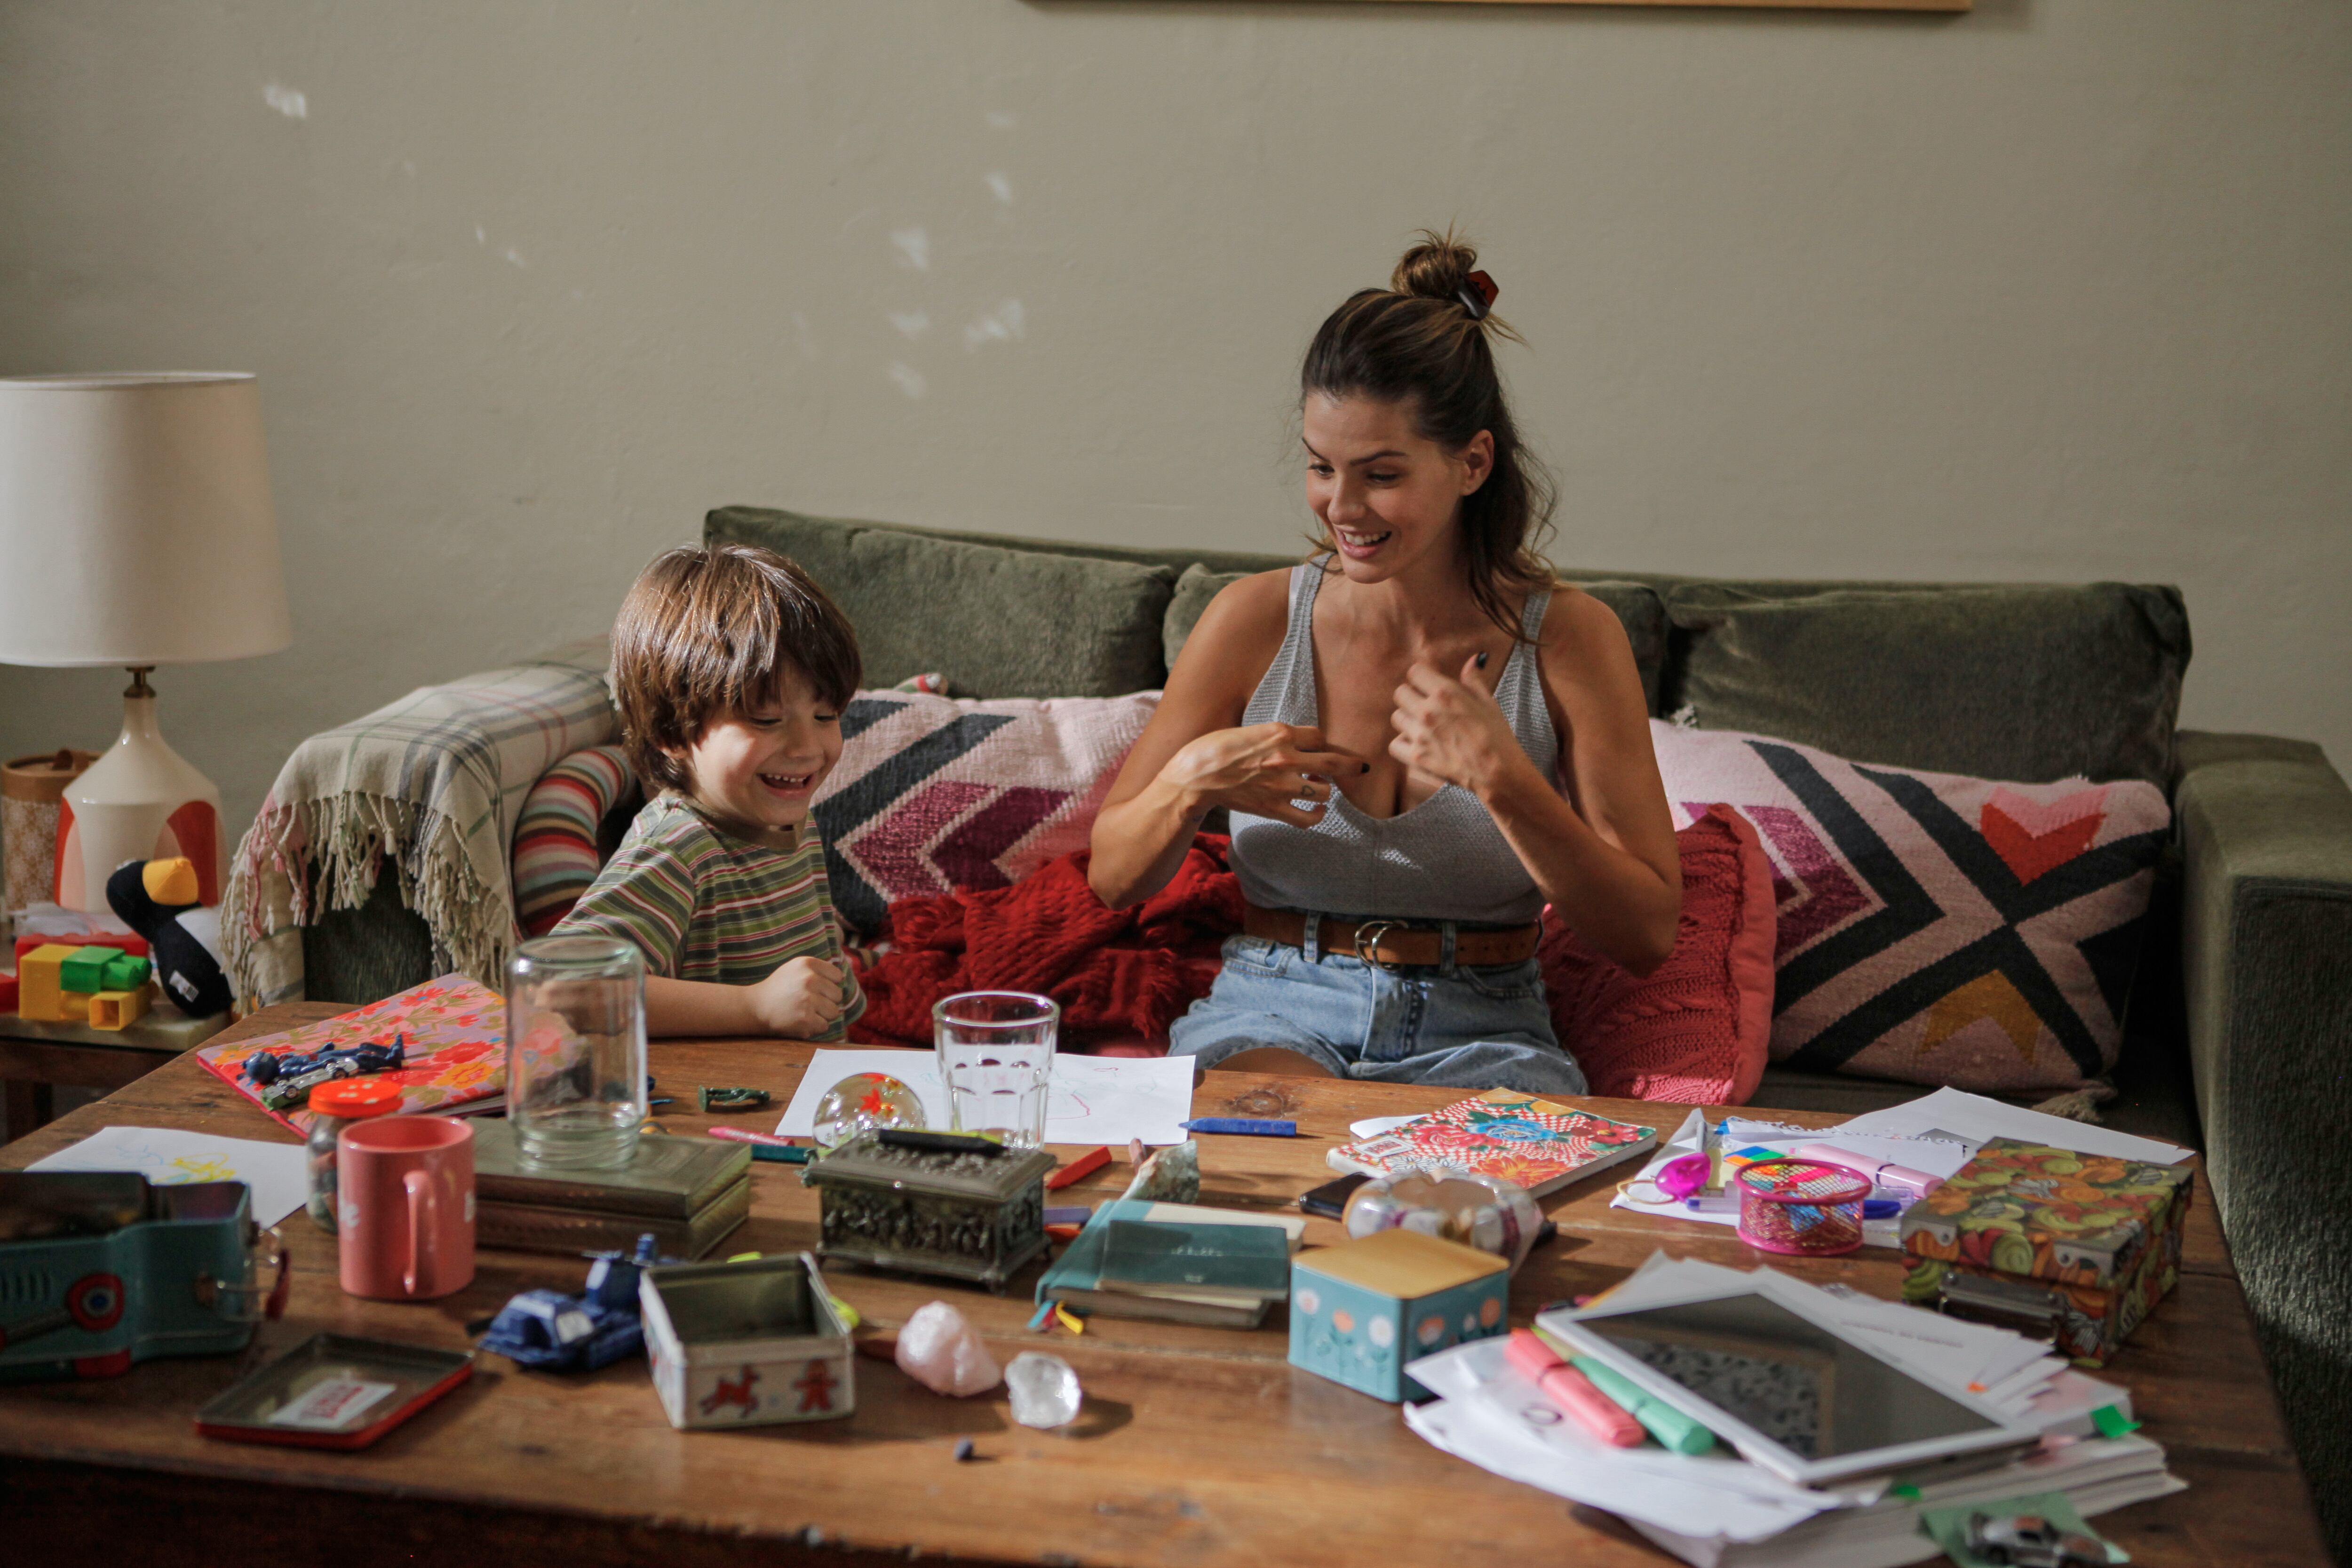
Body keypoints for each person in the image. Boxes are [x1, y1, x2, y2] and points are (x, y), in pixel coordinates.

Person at [1088, 232, 1681, 1092]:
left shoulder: (1569, 639)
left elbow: (1647, 932)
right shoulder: (1252, 618)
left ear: (1473, 461)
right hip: (1274, 1004)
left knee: (1457, 1217)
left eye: (1382, 473)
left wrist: (1506, 782)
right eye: (1322, 467)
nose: (1343, 505)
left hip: (1485, 1021)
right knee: (1258, 1165)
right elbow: (1113, 877)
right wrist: (1194, 780)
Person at [556, 543, 865, 1041]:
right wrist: (753, 1006)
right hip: (725, 1112)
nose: (808, 747)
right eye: (767, 720)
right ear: (673, 733)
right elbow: (563, 989)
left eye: (826, 716)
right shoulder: (680, 847)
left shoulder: (787, 816)